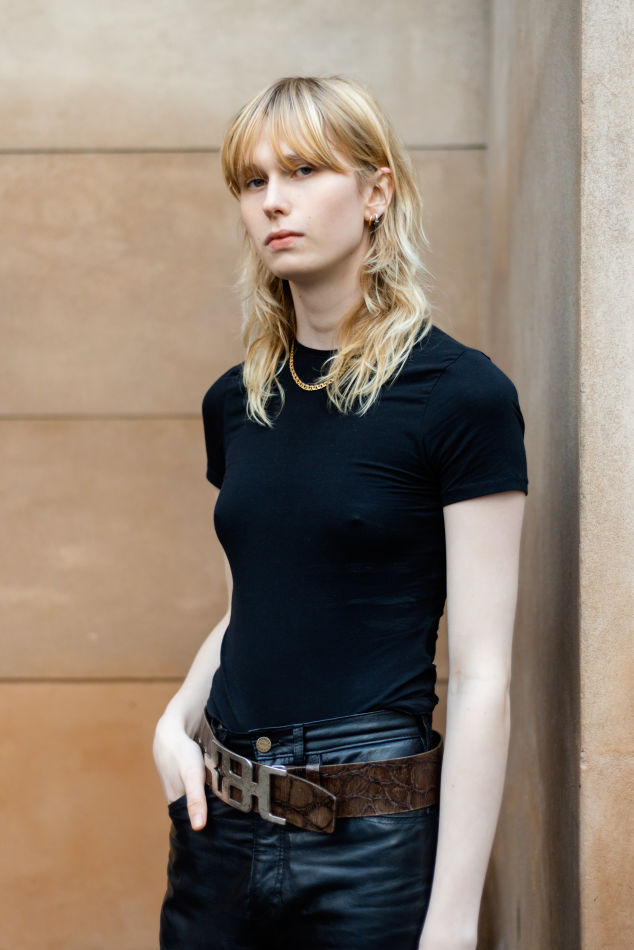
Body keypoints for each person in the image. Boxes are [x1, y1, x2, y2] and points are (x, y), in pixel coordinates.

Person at [153, 75, 528, 950]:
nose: (272, 201)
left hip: (371, 845)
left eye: (303, 170)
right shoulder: (236, 402)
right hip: (218, 832)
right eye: (252, 181)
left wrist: (452, 919)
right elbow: (255, 606)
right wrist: (172, 722)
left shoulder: (459, 394)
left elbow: (483, 677)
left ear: (375, 193)